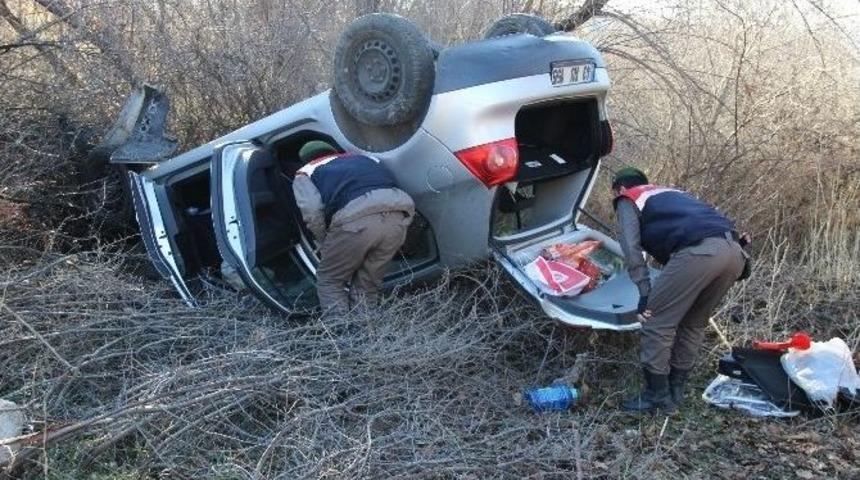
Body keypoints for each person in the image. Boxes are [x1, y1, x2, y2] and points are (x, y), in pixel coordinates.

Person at [611, 167, 748, 413]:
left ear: (621, 188)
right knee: (693, 323)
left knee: (656, 322)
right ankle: (675, 391)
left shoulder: (627, 199)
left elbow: (631, 250)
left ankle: (656, 396)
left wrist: (645, 293)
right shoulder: (670, 193)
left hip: (698, 254)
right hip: (734, 253)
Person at [292, 140, 415, 316]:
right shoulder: (366, 158)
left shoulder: (305, 172)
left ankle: (344, 336)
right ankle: (368, 332)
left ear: (306, 159)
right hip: (397, 218)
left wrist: (325, 241)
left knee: (329, 280)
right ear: (332, 151)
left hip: (355, 222)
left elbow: (312, 213)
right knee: (367, 286)